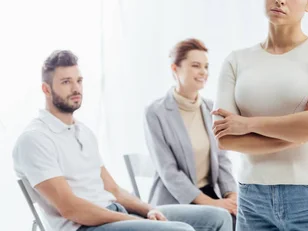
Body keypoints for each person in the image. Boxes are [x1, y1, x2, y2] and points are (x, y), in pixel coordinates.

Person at [13, 50, 232, 231]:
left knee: (219, 217)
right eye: (66, 82)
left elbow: (114, 190)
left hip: (115, 212)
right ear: (46, 89)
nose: (76, 88)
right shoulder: (35, 139)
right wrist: (135, 220)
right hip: (85, 227)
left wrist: (148, 210)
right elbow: (71, 209)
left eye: (79, 80)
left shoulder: (83, 132)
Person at [211, 0, 308, 231]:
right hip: (252, 198)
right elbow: (225, 139)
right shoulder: (236, 60)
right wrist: (297, 133)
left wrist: (247, 125)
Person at [143, 39, 237, 227]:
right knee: (223, 218)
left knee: (247, 215)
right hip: (175, 200)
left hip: (212, 193)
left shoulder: (212, 108)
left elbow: (223, 159)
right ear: (175, 68)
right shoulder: (156, 112)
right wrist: (212, 204)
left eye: (206, 66)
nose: (203, 72)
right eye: (196, 66)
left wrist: (231, 196)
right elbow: (169, 172)